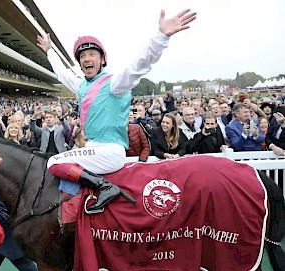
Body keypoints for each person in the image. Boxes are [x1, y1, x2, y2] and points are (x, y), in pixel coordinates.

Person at [37, 9, 197, 211]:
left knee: (53, 162)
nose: (87, 59)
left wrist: (161, 37)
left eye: (92, 54)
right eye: (83, 56)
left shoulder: (114, 84)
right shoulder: (81, 86)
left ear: (102, 60)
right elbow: (62, 74)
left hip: (109, 152)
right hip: (93, 148)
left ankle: (105, 188)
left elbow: (138, 66)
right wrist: (50, 50)